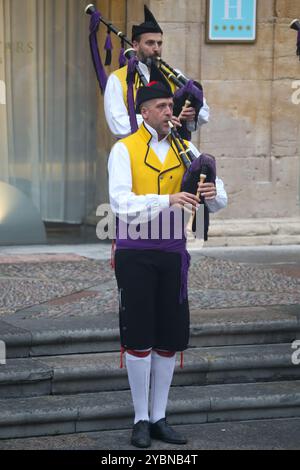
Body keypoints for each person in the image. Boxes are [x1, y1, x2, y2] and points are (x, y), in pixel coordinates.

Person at [108, 81, 227, 448]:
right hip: (135, 252)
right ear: (144, 112)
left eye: (169, 106)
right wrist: (167, 199)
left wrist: (212, 194)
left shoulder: (185, 147)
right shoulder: (123, 149)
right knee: (140, 336)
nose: (167, 112)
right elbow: (120, 203)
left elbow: (220, 196)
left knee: (169, 338)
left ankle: (159, 417)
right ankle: (139, 418)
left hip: (173, 252)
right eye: (160, 106)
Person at [104, 5, 210, 139]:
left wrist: (191, 116)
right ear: (135, 45)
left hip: (172, 151)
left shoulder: (173, 75)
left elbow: (204, 112)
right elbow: (117, 124)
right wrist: (160, 121)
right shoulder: (117, 79)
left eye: (159, 43)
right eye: (150, 43)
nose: (156, 48)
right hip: (136, 152)